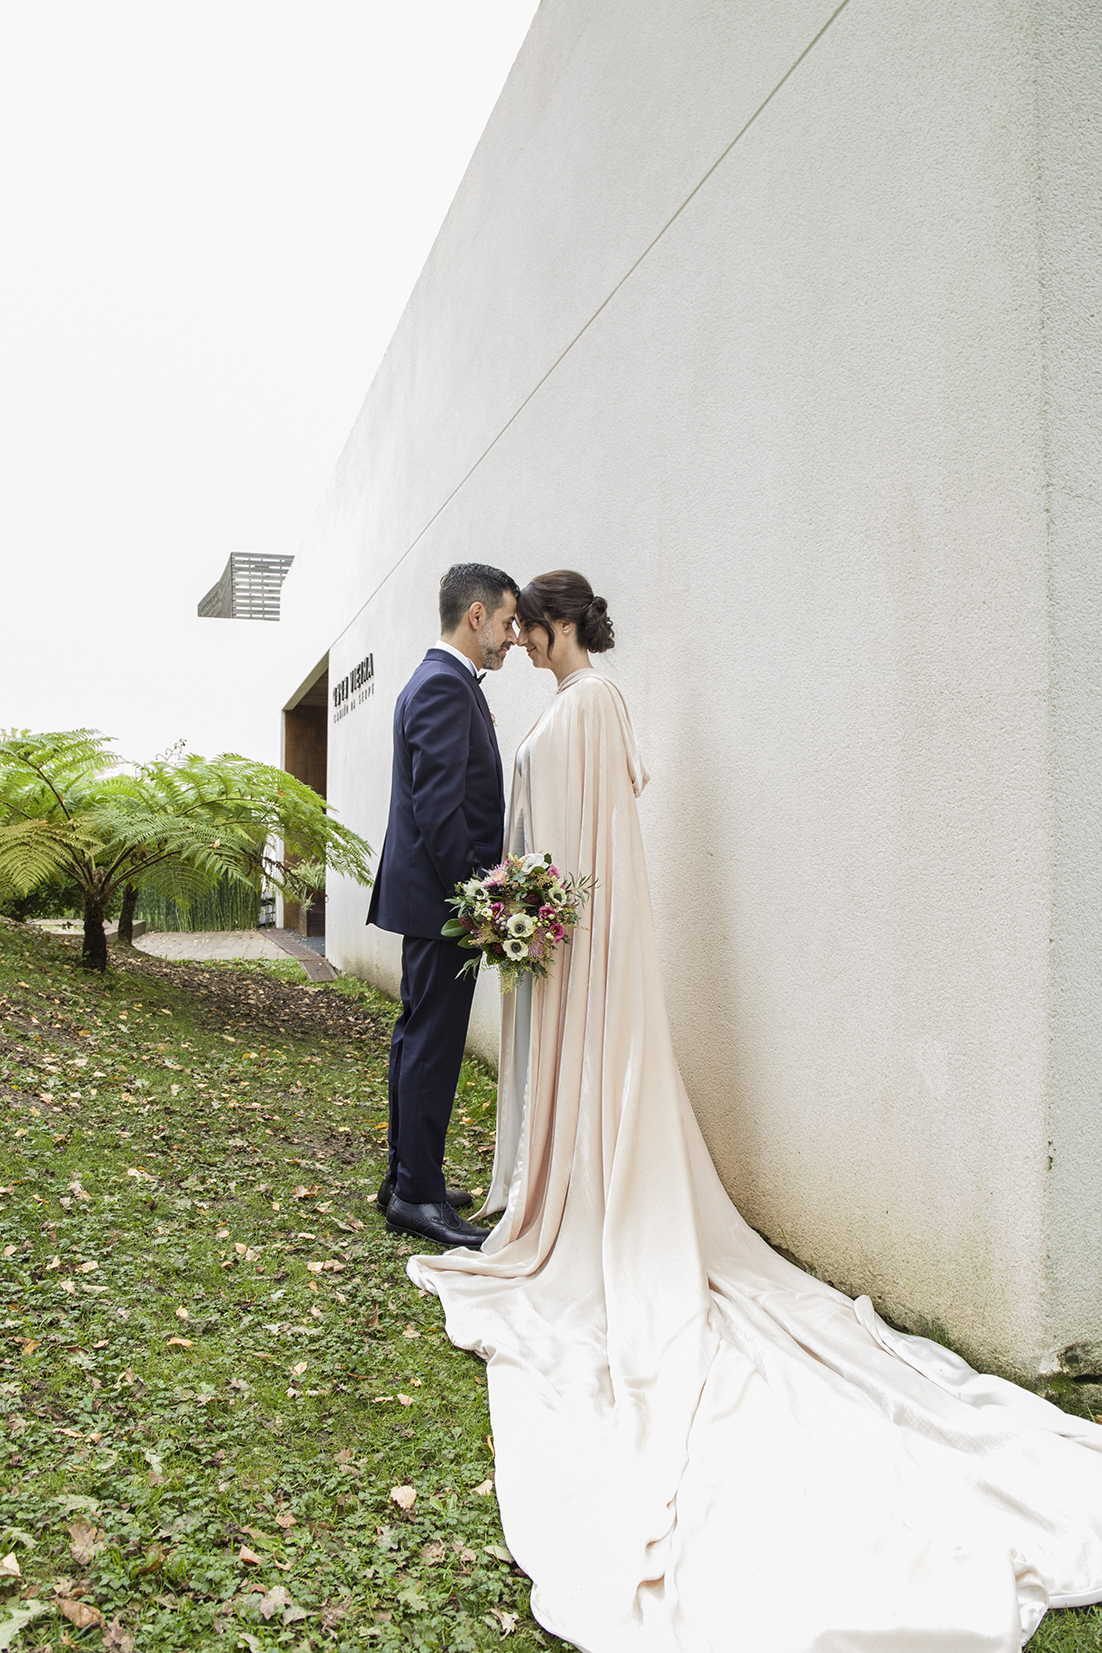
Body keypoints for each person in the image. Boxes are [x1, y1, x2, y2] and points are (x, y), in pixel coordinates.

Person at [409, 570, 1102, 1652]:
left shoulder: (590, 704)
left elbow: (589, 859)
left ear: (551, 623)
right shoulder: (571, 707)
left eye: (529, 629)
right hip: (556, 938)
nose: (522, 646)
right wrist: (526, 902)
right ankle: (556, 1199)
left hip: (574, 944)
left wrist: (539, 911)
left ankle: (591, 1215)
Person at [367, 562, 519, 1250]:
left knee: (416, 1036)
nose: (514, 638)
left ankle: (407, 1175)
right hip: (443, 901)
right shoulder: (443, 684)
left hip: (431, 898)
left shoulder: (439, 680)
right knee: (431, 1044)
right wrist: (475, 894)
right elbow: (437, 805)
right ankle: (417, 1196)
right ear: (477, 615)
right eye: (509, 622)